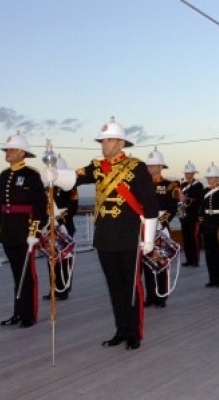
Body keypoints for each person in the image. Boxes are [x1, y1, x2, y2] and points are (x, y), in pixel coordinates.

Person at [44, 116, 158, 350]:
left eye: (107, 141)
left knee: (131, 286)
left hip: (129, 234)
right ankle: (121, 330)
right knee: (114, 286)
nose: (103, 145)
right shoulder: (97, 166)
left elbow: (150, 205)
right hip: (105, 235)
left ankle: (134, 332)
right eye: (102, 141)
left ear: (119, 142)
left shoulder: (136, 167)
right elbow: (76, 177)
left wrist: (148, 240)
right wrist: (55, 175)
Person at [0, 132, 47, 328]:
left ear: (21, 152)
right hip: (9, 230)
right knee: (16, 274)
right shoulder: (4, 175)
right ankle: (17, 313)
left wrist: (34, 231)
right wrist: (0, 227)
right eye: (7, 149)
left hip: (25, 231)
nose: (7, 152)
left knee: (27, 274)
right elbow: (1, 203)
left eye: (10, 149)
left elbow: (40, 206)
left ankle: (29, 314)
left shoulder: (31, 175)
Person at [144, 147, 178, 308]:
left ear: (160, 167)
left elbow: (173, 209)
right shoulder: (142, 185)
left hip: (161, 227)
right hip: (145, 227)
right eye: (148, 165)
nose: (149, 168)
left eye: (152, 165)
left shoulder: (170, 185)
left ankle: (161, 295)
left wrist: (160, 222)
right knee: (147, 263)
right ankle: (150, 296)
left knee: (161, 262)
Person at [42, 154, 79, 301]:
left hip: (64, 227)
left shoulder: (70, 187)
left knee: (64, 258)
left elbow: (73, 208)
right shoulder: (47, 187)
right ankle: (54, 289)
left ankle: (64, 288)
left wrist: (58, 221)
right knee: (51, 258)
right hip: (49, 227)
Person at [179, 160, 203, 267]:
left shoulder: (198, 185)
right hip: (184, 215)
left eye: (189, 173)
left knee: (194, 238)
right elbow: (180, 200)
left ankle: (195, 260)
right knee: (186, 238)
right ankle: (189, 259)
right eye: (186, 173)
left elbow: (199, 200)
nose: (187, 175)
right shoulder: (183, 185)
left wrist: (186, 198)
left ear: (193, 174)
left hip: (193, 215)